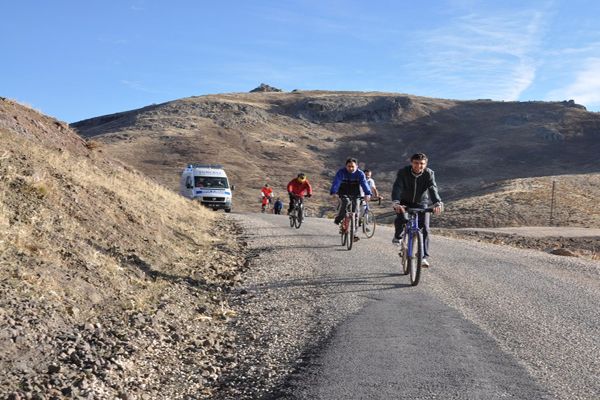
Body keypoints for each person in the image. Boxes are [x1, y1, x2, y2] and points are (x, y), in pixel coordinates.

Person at [391, 153, 443, 267]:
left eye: (422, 164)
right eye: (416, 163)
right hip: (404, 201)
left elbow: (432, 188)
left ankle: (423, 257)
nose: (419, 166)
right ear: (411, 163)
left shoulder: (429, 173)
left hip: (421, 202)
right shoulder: (403, 172)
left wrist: (437, 203)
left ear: (426, 164)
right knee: (402, 218)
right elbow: (397, 187)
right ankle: (398, 236)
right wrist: (396, 202)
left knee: (425, 228)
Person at [330, 158, 372, 240]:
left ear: (356, 166)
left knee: (356, 212)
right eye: (349, 166)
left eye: (353, 166)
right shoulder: (341, 172)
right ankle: (339, 218)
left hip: (355, 193)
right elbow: (336, 182)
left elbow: (364, 183)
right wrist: (334, 192)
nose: (351, 168)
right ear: (346, 166)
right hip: (343, 192)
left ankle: (354, 233)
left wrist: (367, 194)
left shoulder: (360, 174)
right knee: (345, 202)